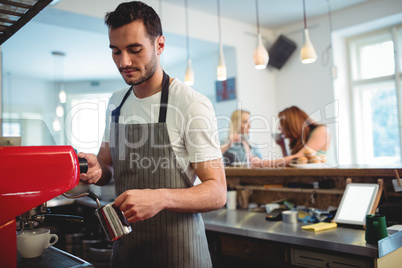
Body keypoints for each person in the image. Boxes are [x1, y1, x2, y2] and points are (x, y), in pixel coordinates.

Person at [78, 2, 226, 267]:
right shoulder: (116, 102)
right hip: (127, 253)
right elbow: (107, 164)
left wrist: (161, 197)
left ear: (159, 45)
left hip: (180, 253)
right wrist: (95, 169)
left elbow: (217, 192)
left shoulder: (190, 104)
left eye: (135, 50)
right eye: (116, 51)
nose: (124, 62)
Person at [251, 106, 330, 168]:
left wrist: (262, 163)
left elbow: (299, 156)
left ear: (291, 124)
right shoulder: (299, 140)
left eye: (281, 124)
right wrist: (282, 146)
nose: (279, 128)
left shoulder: (322, 130)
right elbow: (292, 162)